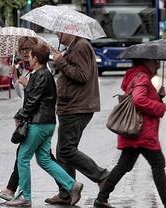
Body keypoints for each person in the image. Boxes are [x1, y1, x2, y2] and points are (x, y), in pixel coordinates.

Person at [93, 59, 166, 208]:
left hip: (134, 131)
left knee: (123, 166)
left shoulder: (134, 75)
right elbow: (139, 100)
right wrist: (160, 105)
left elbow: (139, 97)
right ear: (145, 62)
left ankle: (101, 198)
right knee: (157, 163)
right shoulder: (143, 77)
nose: (157, 64)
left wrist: (159, 96)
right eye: (154, 62)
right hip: (142, 132)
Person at [5, 43, 84, 206]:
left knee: (23, 157)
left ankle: (25, 197)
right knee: (43, 159)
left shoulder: (41, 74)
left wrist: (20, 115)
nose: (29, 59)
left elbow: (32, 100)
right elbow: (34, 94)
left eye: (31, 56)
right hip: (47, 123)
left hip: (38, 124)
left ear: (36, 58)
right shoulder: (42, 74)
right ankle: (72, 185)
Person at [0, 37, 61, 201]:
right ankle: (68, 185)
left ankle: (17, 192)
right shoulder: (28, 68)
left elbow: (36, 95)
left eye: (28, 50)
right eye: (22, 50)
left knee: (25, 156)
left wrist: (22, 113)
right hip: (34, 117)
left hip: (37, 119)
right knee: (40, 157)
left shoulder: (43, 71)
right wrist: (16, 79)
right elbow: (23, 93)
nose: (25, 53)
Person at [45, 32, 109, 205]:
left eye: (59, 32)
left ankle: (101, 176)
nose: (57, 35)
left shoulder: (80, 46)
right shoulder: (74, 46)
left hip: (76, 106)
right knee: (63, 152)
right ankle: (66, 192)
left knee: (66, 150)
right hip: (71, 105)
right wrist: (60, 60)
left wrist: (61, 62)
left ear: (69, 30)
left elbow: (81, 75)